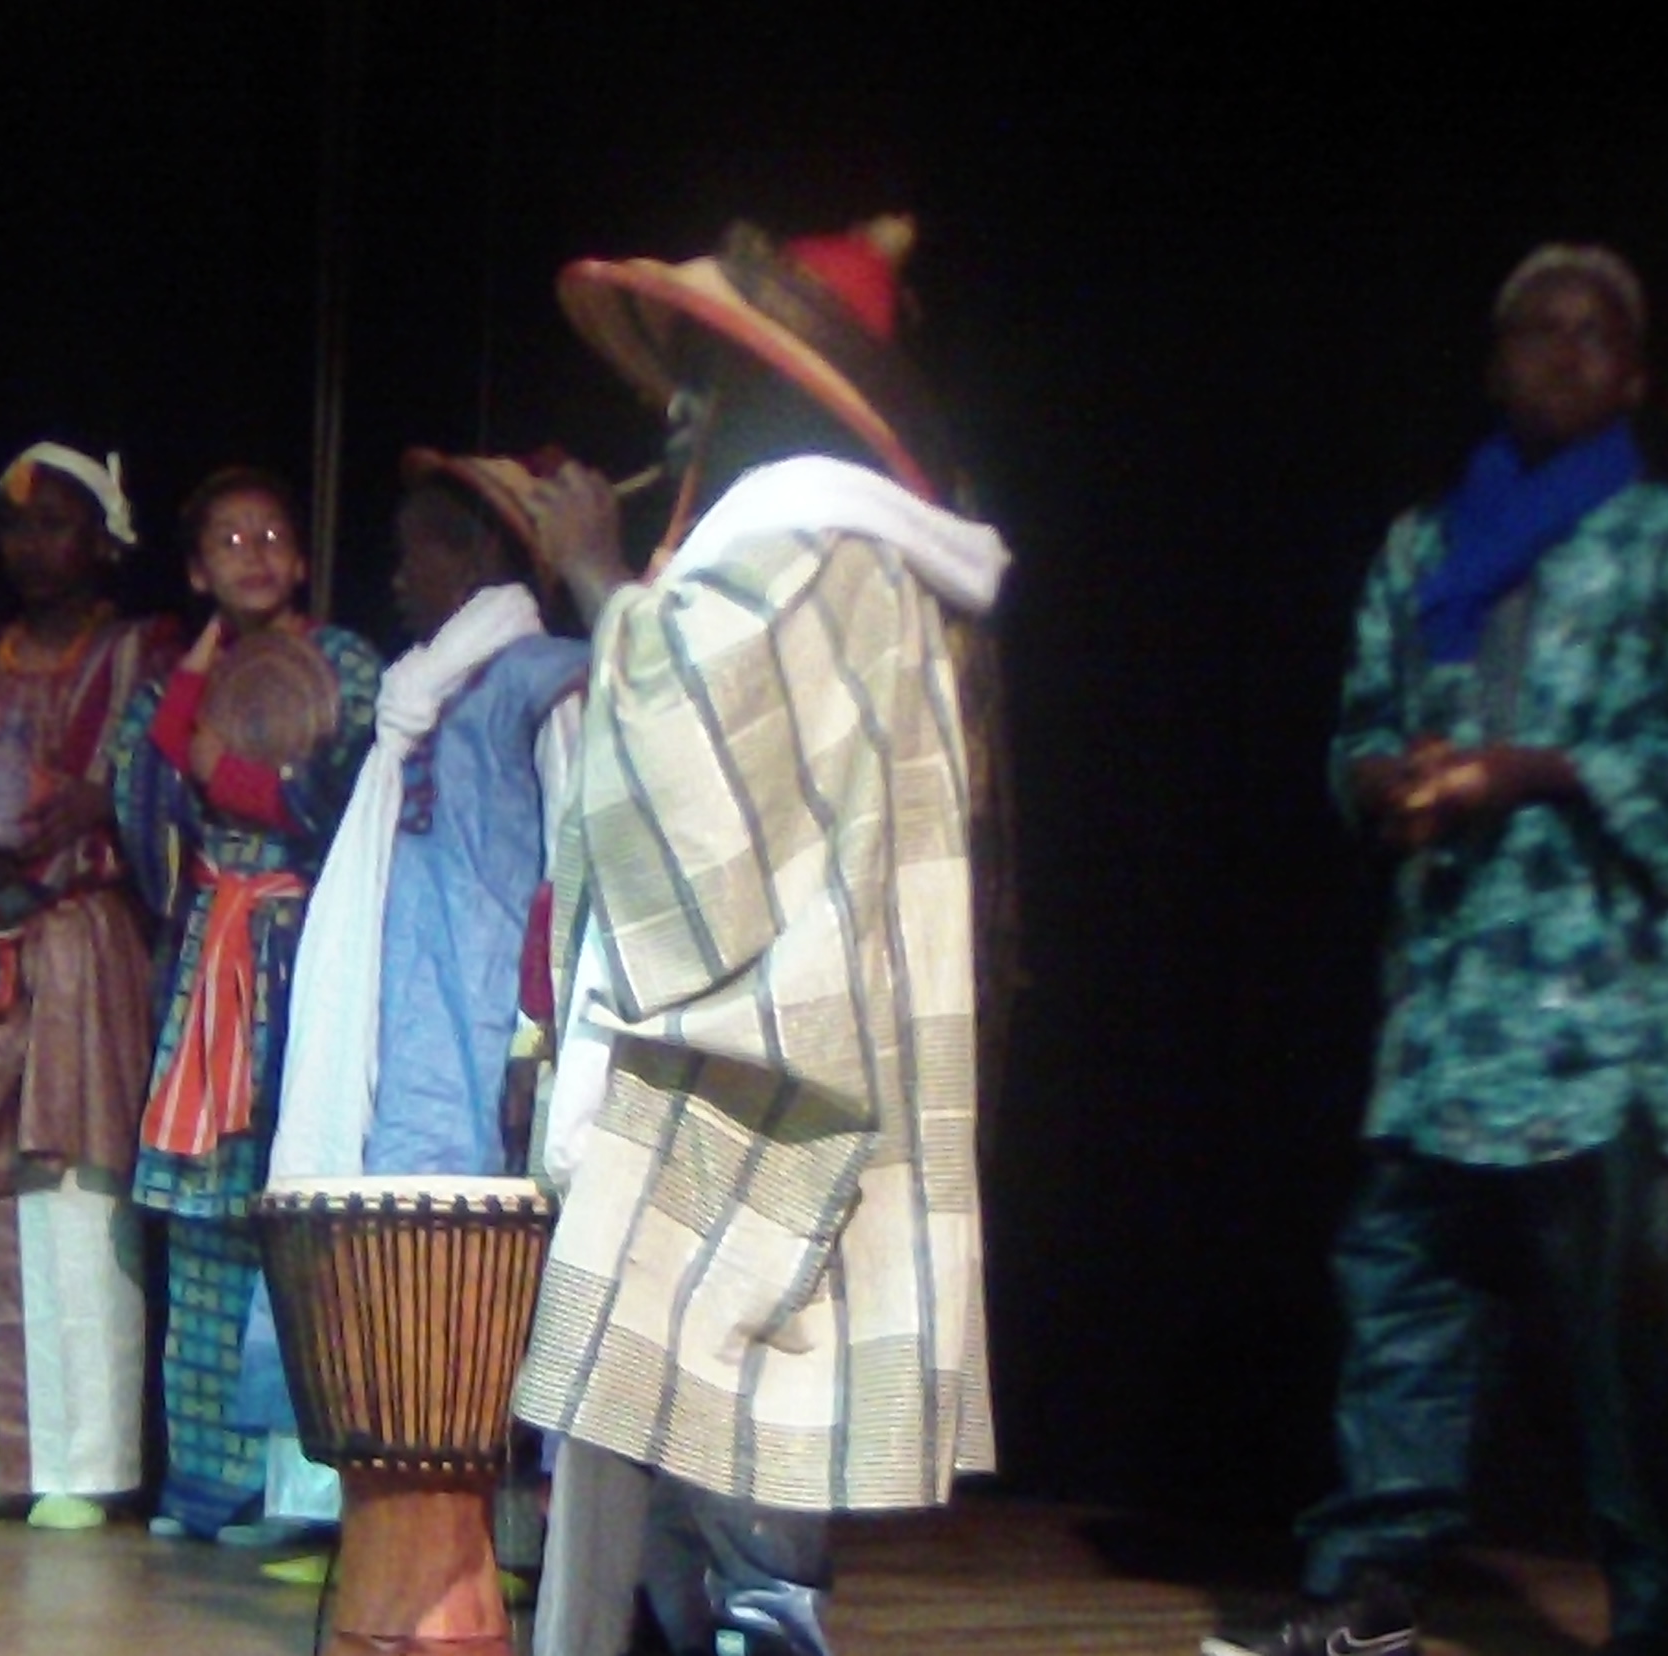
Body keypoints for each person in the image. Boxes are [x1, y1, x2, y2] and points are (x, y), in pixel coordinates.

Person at [512, 216, 1012, 1656]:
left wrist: (604, 583)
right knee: (692, 1467)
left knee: (740, 1470)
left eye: (704, 375)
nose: (676, 409)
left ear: (771, 389)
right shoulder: (806, 546)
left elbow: (703, 783)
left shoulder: (810, 547)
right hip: (751, 1041)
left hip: (765, 1068)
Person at [1202, 246, 1668, 1656]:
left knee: (1628, 1368)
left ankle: (1660, 1622)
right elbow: (1362, 717)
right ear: (1492, 365)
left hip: (1606, 1034)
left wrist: (1535, 770)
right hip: (1443, 1019)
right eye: (1529, 330)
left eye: (1590, 332)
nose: (1556, 349)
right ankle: (1369, 1596)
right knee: (1403, 1312)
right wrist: (1381, 779)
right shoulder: (1429, 547)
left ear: (1635, 376)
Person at [233, 447, 590, 1547]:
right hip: (405, 1031)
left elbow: (576, 869)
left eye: (414, 552)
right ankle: (388, 1524)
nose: (394, 578)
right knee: (392, 1270)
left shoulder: (547, 682)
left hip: (491, 1037)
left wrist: (551, 1041)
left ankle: (505, 1542)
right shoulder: (419, 695)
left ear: (481, 553)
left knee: (495, 1285)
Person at [0, 442, 179, 1530]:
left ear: (104, 539)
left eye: (57, 523)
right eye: (18, 525)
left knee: (70, 1191)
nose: (33, 546)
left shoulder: (136, 656)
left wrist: (74, 814)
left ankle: (82, 1458)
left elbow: (146, 797)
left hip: (71, 941)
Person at [109, 465, 381, 1542]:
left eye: (273, 534)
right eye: (229, 540)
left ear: (304, 557)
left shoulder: (345, 666)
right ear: (193, 567)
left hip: (303, 949)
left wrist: (230, 774)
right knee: (203, 1222)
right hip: (211, 955)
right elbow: (144, 798)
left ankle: (301, 1487)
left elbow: (339, 790)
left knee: (297, 1207)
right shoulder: (168, 685)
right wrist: (197, 710)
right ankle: (207, 1482)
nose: (255, 553)